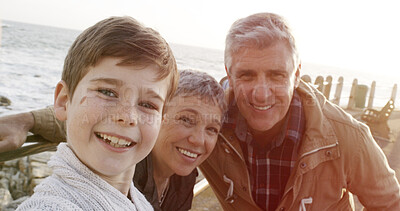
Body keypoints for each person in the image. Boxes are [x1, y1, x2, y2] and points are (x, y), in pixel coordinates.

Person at [198, 12, 400, 210]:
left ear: (296, 75)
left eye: (276, 75)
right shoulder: (204, 126)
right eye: (246, 75)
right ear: (229, 75)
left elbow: (391, 203)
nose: (261, 94)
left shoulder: (347, 137)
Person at [0, 69, 226, 211]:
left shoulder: (183, 179)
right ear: (156, 115)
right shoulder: (121, 169)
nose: (198, 140)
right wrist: (27, 120)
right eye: (186, 119)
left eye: (212, 129)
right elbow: (90, 117)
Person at [16, 16, 179, 210]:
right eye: (107, 92)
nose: (127, 116)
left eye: (148, 104)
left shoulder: (138, 202)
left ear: (161, 121)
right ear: (63, 100)